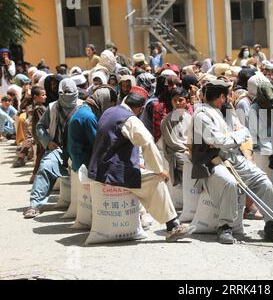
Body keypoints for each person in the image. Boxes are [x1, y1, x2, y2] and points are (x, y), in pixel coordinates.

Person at [190, 79, 273, 245]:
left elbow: (244, 132)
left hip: (233, 157)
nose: (229, 98)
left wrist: (232, 137)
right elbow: (219, 141)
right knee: (231, 183)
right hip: (211, 162)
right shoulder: (201, 115)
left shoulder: (227, 110)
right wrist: (234, 137)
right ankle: (225, 227)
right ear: (221, 96)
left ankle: (272, 226)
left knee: (263, 181)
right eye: (227, 95)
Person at [87, 92, 194, 241]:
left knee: (144, 174)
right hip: (112, 171)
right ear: (140, 108)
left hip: (98, 167)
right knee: (155, 180)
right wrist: (159, 170)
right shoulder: (130, 119)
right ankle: (173, 226)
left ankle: (156, 218)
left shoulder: (110, 111)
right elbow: (148, 142)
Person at [23, 79, 83, 218]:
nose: (67, 94)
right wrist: (48, 141)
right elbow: (39, 126)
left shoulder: (83, 106)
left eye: (70, 92)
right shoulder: (52, 107)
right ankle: (34, 204)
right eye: (65, 92)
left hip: (79, 149)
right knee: (45, 166)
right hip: (59, 149)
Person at [160, 87, 192, 187]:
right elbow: (172, 142)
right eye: (175, 100)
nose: (178, 103)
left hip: (189, 151)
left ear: (187, 101)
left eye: (180, 100)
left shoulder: (189, 116)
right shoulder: (167, 119)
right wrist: (187, 148)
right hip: (177, 154)